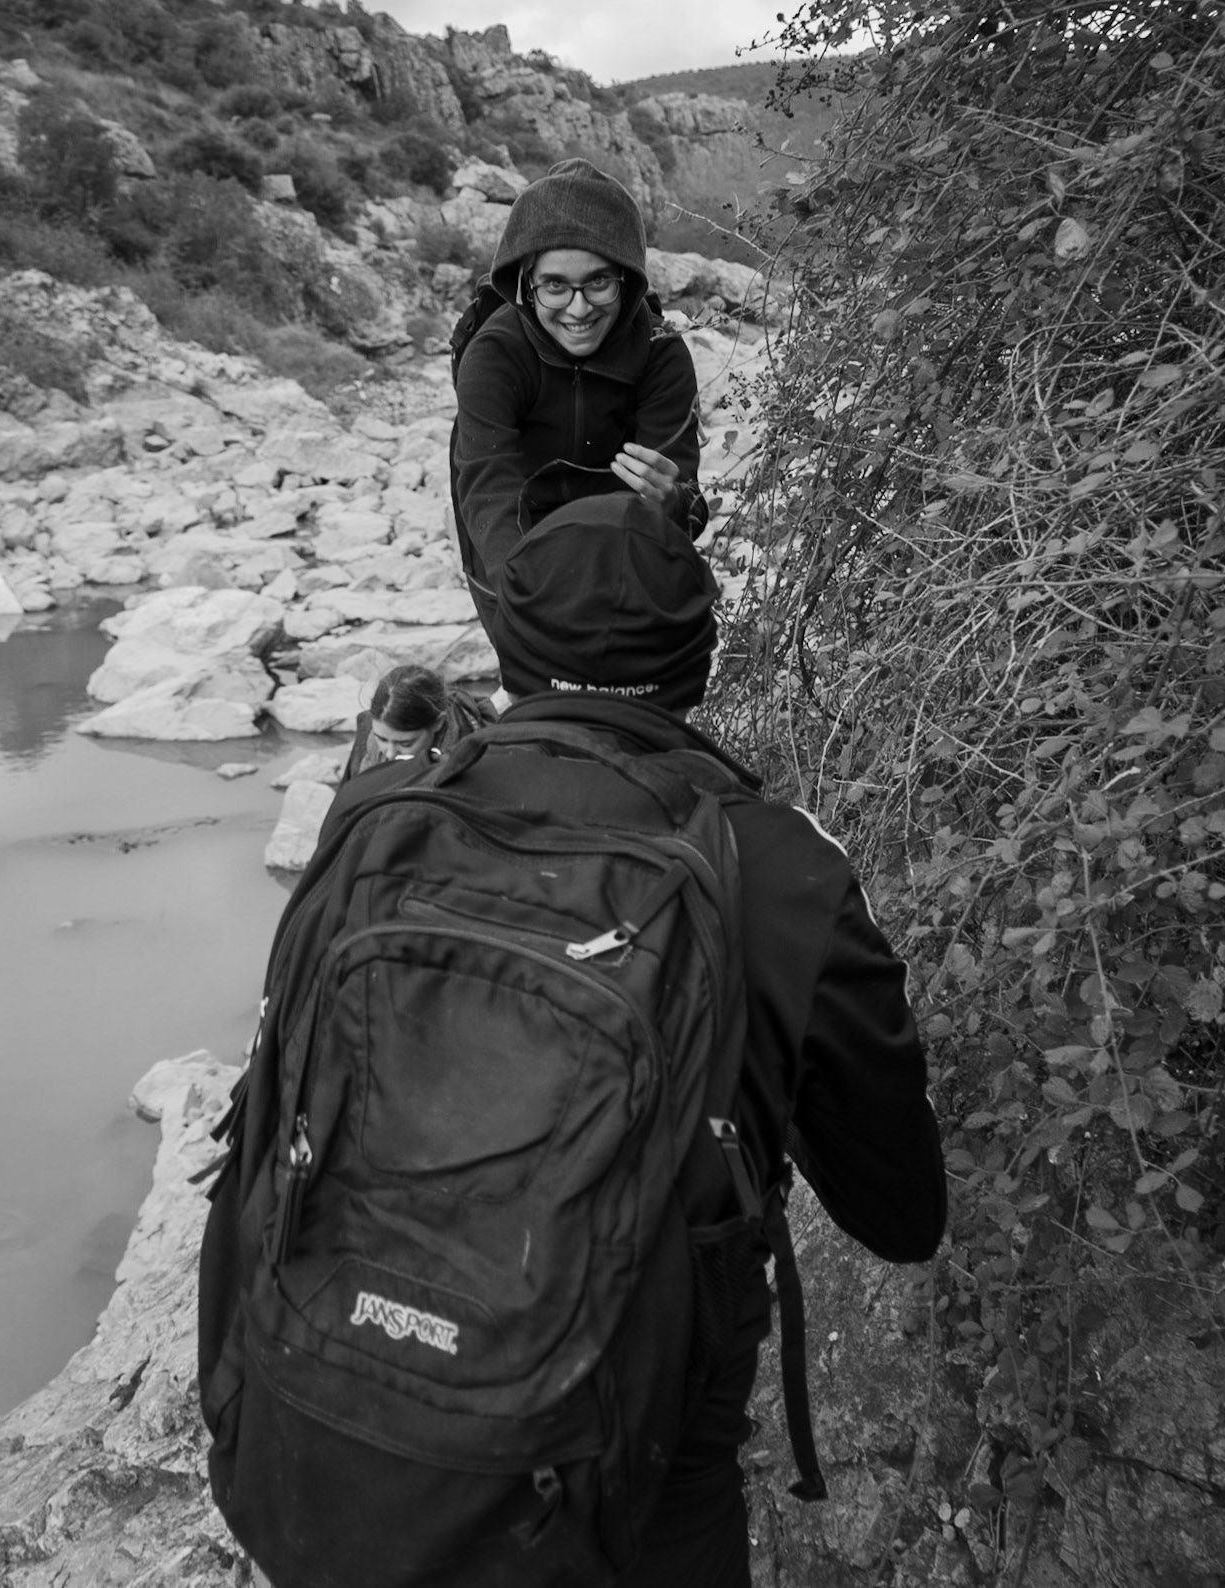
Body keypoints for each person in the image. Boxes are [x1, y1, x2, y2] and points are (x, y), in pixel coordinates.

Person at [318, 493, 948, 1587]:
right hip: (627, 1471)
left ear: (507, 646)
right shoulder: (780, 870)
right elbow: (901, 1215)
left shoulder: (376, 816)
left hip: (339, 1419)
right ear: (697, 656)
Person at [450, 158, 709, 639]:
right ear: (525, 284)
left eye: (598, 282)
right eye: (555, 286)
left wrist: (670, 501)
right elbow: (488, 491)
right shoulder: (494, 354)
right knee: (539, 685)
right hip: (511, 535)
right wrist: (533, 605)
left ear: (627, 280)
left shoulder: (660, 356)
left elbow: (683, 512)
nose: (578, 308)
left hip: (620, 544)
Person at [340, 663, 499, 781]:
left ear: (438, 723)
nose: (389, 753)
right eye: (382, 739)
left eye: (406, 744)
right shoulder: (371, 737)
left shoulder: (465, 759)